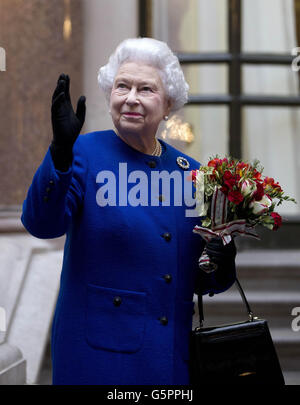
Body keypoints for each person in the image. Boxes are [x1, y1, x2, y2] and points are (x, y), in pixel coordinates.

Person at [21, 37, 236, 385]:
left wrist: (222, 262)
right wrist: (60, 153)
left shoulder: (192, 173)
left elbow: (202, 275)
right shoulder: (84, 153)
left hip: (170, 359)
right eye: (122, 86)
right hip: (98, 361)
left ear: (168, 104)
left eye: (146, 89)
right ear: (110, 95)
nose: (131, 98)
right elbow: (42, 224)